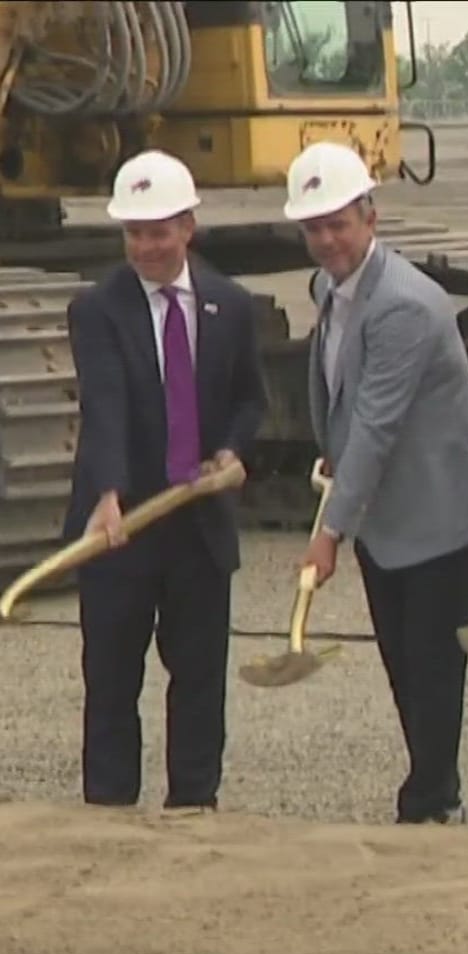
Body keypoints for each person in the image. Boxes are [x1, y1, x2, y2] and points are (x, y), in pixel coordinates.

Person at [284, 141, 468, 826]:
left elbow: (378, 426)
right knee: (402, 662)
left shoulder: (405, 306)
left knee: (433, 663)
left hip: (442, 509)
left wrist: (327, 534)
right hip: (389, 513)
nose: (327, 240)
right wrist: (333, 461)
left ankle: (432, 803)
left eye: (339, 223)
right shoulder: (332, 290)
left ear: (371, 217)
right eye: (314, 227)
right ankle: (436, 789)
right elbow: (347, 404)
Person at [63, 149, 266, 811]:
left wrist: (233, 451)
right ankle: (110, 813)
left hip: (198, 529)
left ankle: (194, 810)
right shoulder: (97, 308)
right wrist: (109, 492)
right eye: (133, 233)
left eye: (157, 232)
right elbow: (105, 404)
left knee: (200, 680)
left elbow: (248, 399)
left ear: (188, 228)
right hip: (120, 528)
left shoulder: (230, 306)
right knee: (113, 683)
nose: (145, 247)